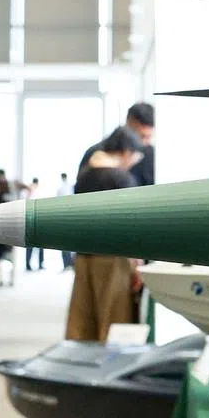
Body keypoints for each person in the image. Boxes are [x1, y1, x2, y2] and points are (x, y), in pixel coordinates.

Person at [65, 126, 144, 342]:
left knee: (83, 316)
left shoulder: (85, 175)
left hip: (84, 255)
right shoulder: (121, 179)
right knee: (114, 317)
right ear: (126, 152)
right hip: (113, 257)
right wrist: (137, 260)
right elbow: (130, 222)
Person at [78, 102, 155, 188]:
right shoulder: (94, 154)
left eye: (149, 137)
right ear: (128, 123)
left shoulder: (151, 154)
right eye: (141, 136)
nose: (144, 142)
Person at [24, 177, 45, 271]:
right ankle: (36, 264)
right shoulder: (33, 191)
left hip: (31, 221)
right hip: (37, 221)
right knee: (37, 246)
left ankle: (30, 264)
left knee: (31, 245)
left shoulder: (30, 191)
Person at [56, 172, 74, 270]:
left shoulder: (61, 189)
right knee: (69, 244)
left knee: (64, 244)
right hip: (70, 217)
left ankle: (66, 264)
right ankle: (69, 263)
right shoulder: (70, 187)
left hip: (62, 218)